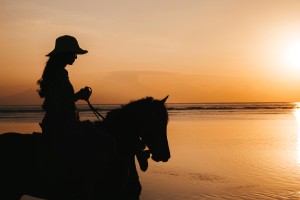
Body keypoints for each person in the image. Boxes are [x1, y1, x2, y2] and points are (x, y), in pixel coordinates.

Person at [37, 35, 91, 136]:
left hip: (60, 123)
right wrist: (79, 95)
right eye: (74, 53)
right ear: (65, 54)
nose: (76, 57)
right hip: (61, 125)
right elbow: (59, 103)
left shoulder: (56, 72)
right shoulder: (58, 74)